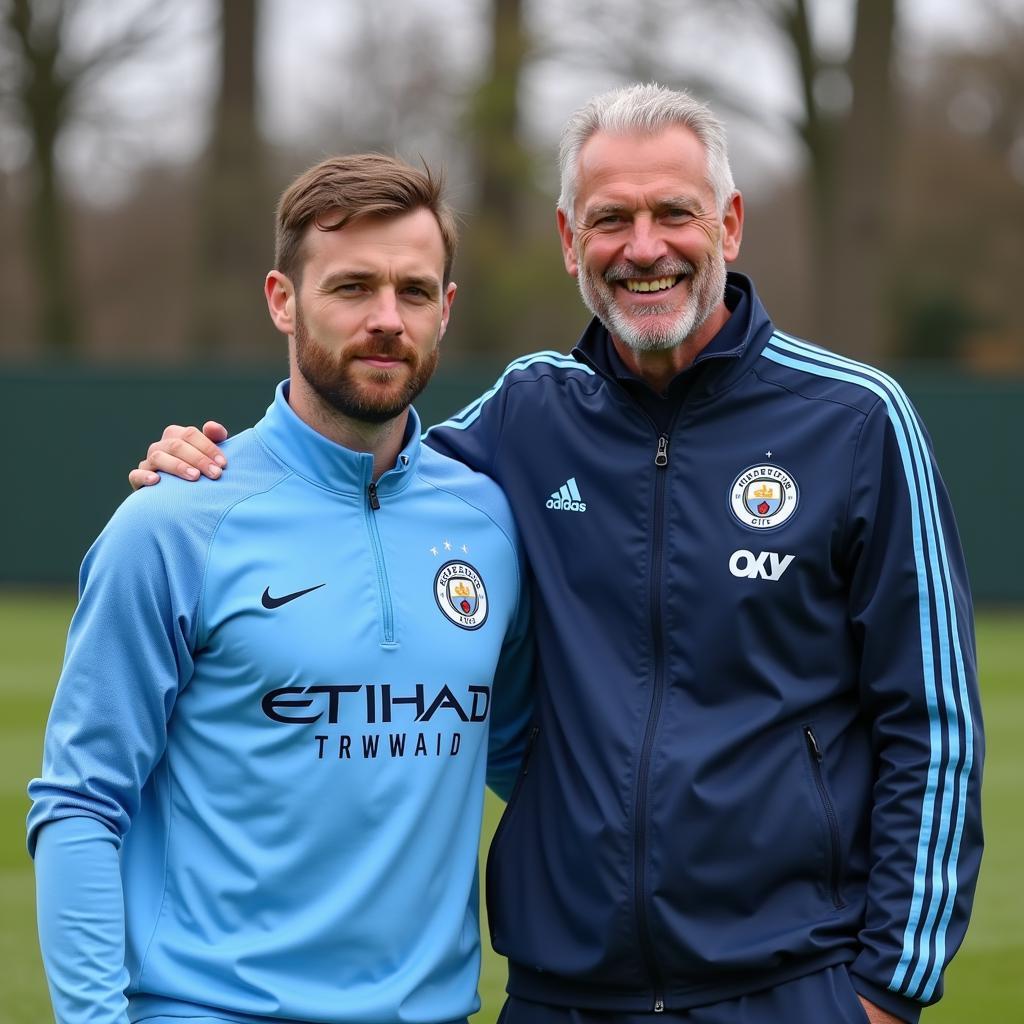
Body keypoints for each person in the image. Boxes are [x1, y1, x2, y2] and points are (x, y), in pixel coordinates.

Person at [127, 84, 983, 1024]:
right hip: (560, 993)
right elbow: (358, 471)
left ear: (729, 226)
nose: (644, 247)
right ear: (571, 242)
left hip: (784, 985)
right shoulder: (525, 416)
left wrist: (887, 990)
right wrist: (216, 464)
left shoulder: (856, 421)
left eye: (674, 214)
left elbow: (932, 721)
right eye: (611, 219)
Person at [28, 154, 535, 1024]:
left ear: (445, 310)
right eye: (351, 288)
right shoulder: (173, 524)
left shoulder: (490, 521)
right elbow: (80, 802)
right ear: (281, 299)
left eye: (414, 291)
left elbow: (541, 765)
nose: (386, 319)